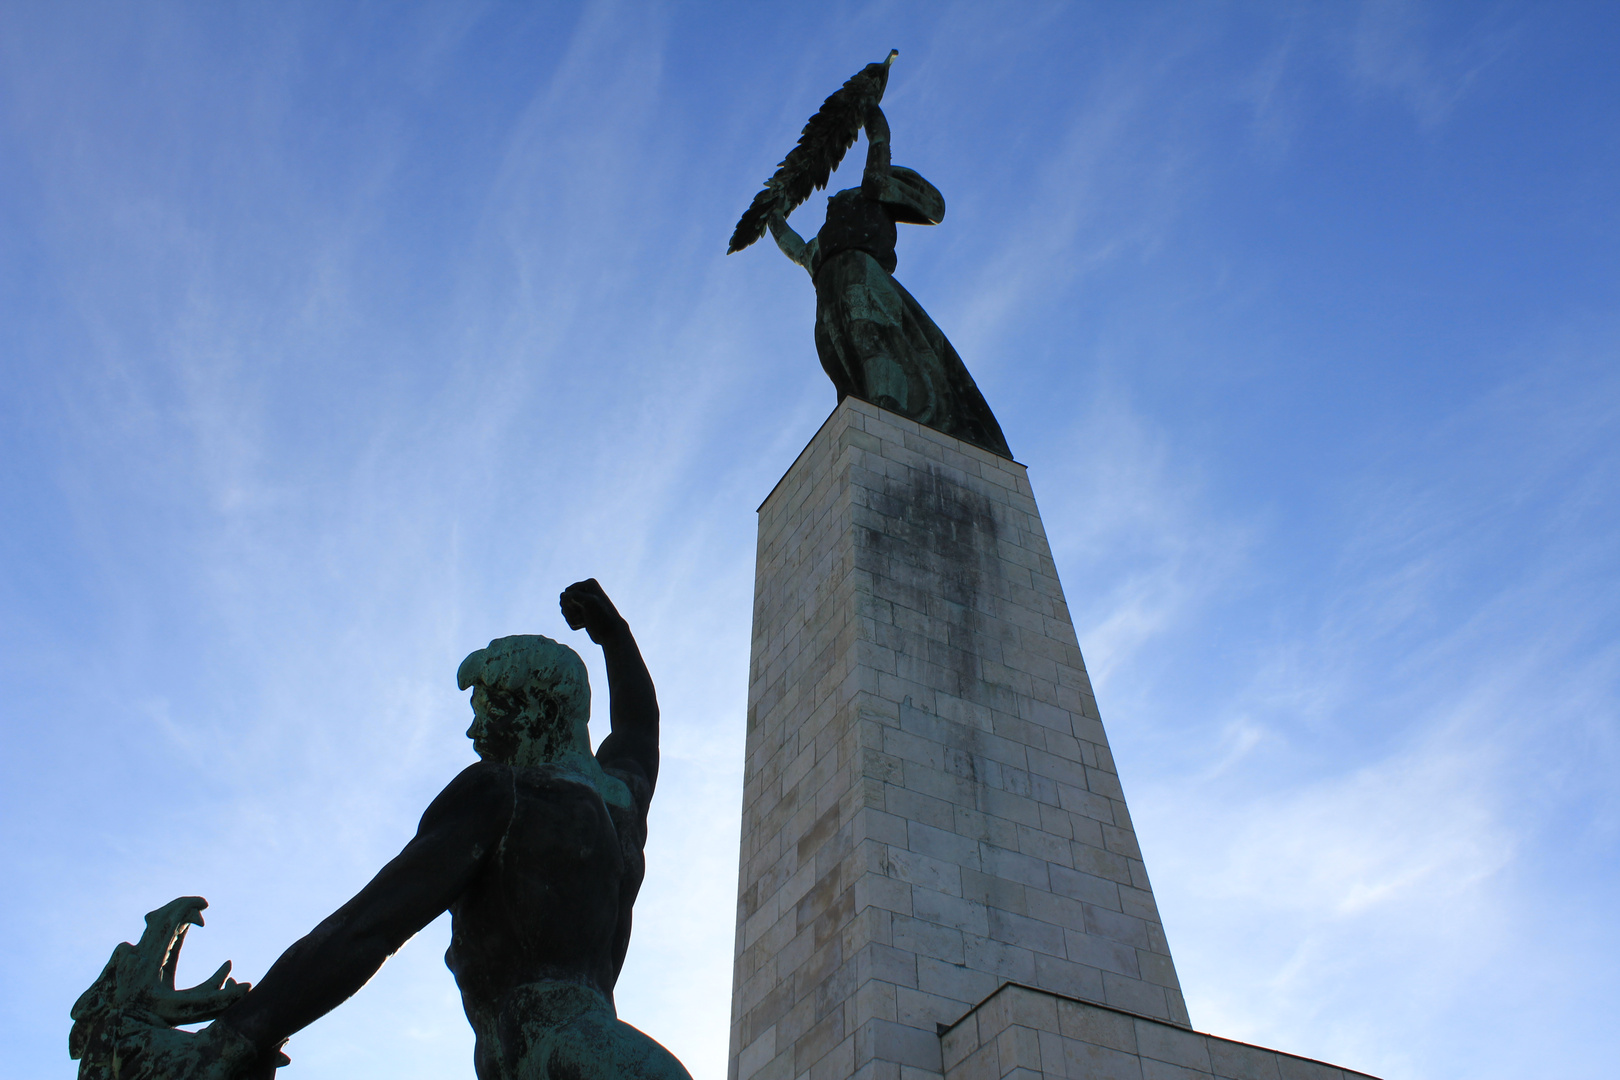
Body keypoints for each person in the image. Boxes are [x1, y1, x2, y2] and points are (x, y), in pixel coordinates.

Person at [186, 579, 691, 1080]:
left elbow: (369, 927)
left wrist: (232, 1038)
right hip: (578, 1049)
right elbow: (637, 729)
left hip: (557, 1054)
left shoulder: (503, 792)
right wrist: (615, 636)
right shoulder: (621, 803)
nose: (473, 733)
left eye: (487, 712)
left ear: (536, 711)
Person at [767, 105, 1012, 459]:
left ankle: (883, 412)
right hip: (829, 296)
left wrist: (877, 133)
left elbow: (876, 176)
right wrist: (773, 218)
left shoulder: (867, 202)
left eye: (840, 198)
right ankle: (870, 413)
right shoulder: (824, 245)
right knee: (841, 364)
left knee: (872, 342)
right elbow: (797, 249)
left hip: (863, 278)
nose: (832, 200)